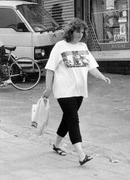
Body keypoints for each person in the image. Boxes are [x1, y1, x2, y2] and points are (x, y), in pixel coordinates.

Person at [42, 18, 111, 166]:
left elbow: (91, 67)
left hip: (79, 90)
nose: (80, 34)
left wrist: (101, 77)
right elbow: (50, 69)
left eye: (82, 31)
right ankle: (81, 154)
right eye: (78, 31)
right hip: (63, 90)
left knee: (68, 118)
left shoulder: (83, 46)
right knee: (73, 119)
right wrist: (48, 88)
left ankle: (57, 144)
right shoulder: (60, 46)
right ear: (71, 31)